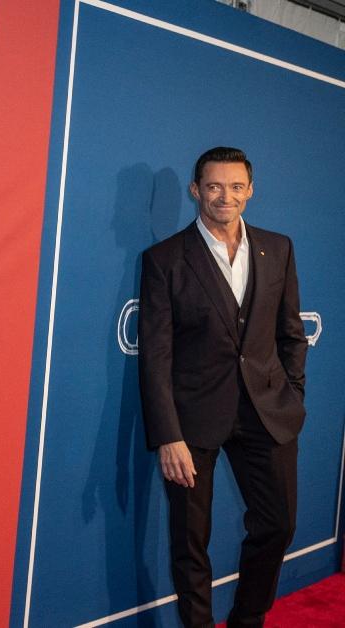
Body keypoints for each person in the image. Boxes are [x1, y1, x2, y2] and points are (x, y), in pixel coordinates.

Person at [138, 147, 307, 627]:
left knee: (278, 526)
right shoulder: (165, 259)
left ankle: (247, 620)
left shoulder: (278, 248)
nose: (224, 196)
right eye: (214, 186)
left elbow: (290, 333)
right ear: (196, 191)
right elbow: (155, 356)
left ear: (250, 191)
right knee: (192, 542)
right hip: (192, 421)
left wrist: (292, 395)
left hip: (267, 412)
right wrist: (169, 435)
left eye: (236, 187)